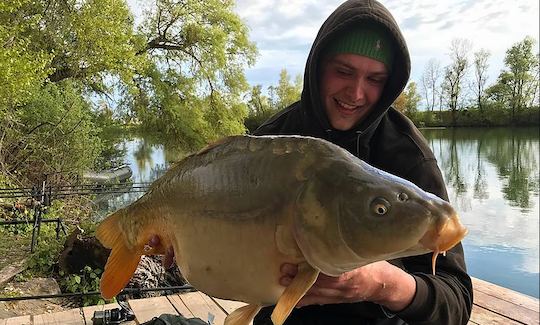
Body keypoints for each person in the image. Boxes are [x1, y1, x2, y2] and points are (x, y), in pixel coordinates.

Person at [150, 0, 473, 323]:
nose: (356, 93)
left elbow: (456, 302)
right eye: (343, 72)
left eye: (375, 79)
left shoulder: (407, 155)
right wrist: (184, 240)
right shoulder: (271, 143)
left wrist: (384, 286)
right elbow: (219, 237)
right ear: (317, 67)